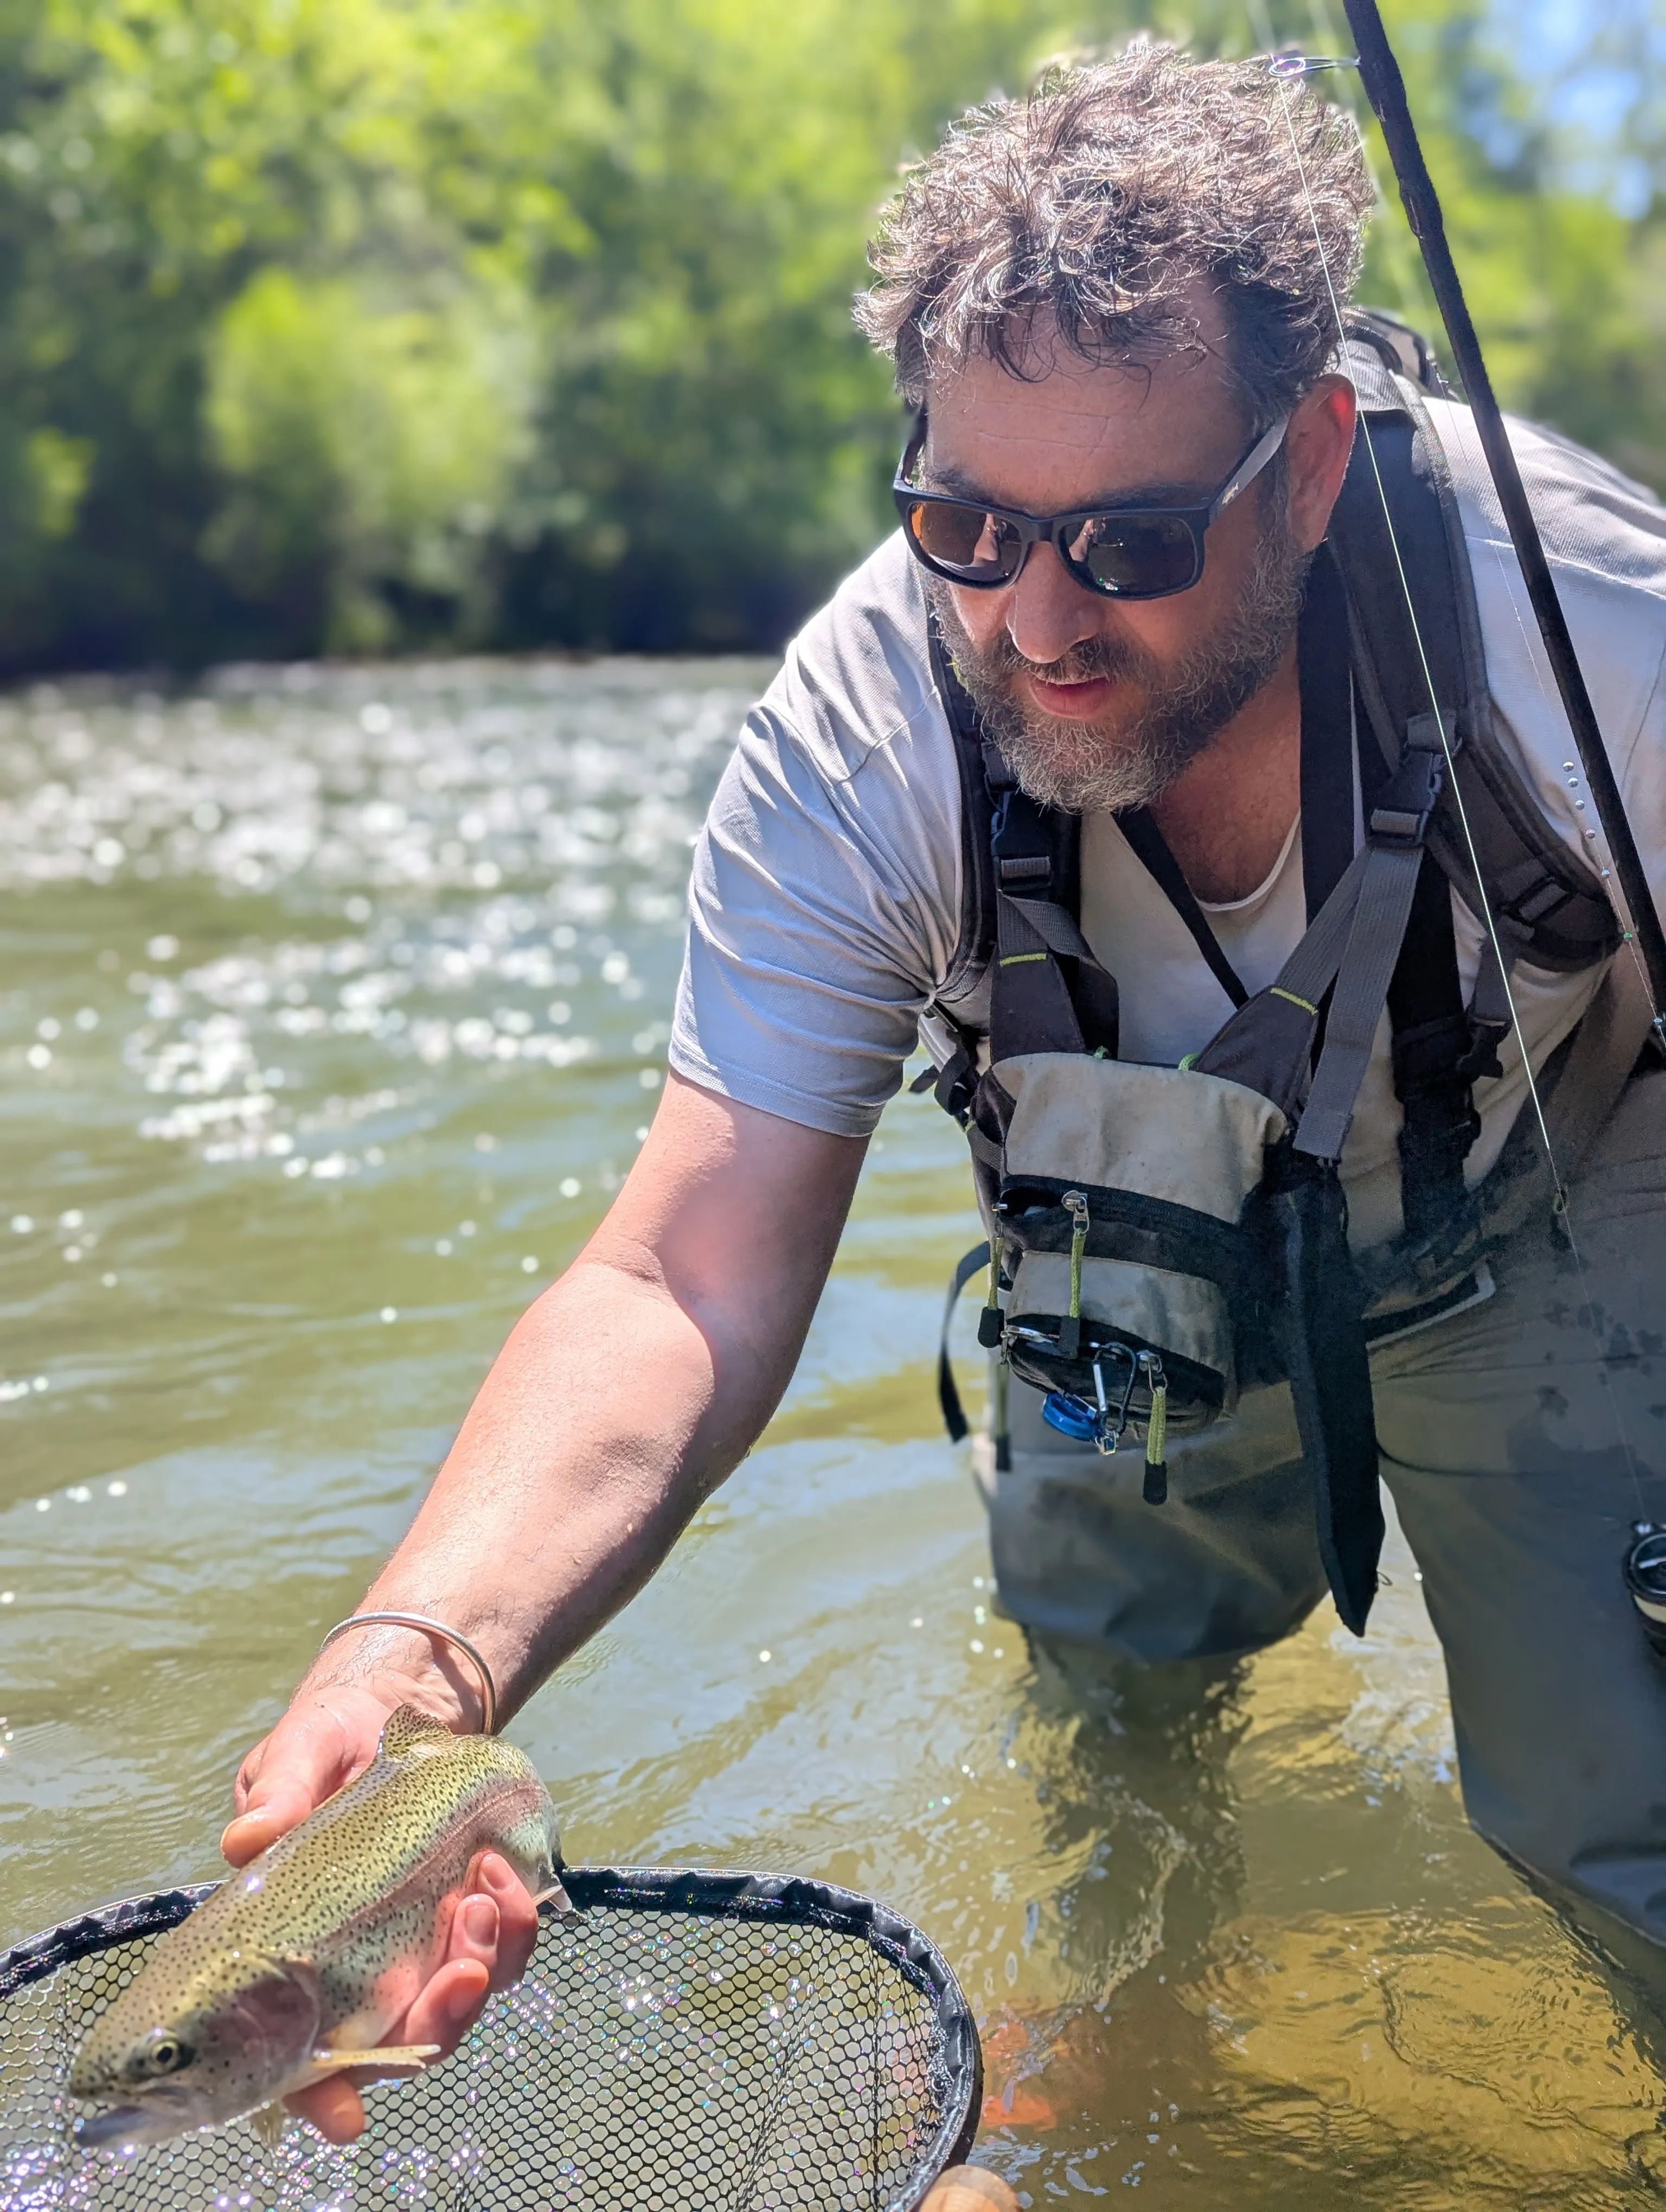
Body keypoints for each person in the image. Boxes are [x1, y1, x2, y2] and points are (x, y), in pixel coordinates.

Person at [222, 45, 1666, 2138]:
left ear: (1319, 461)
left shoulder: (1586, 634)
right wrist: (419, 1669)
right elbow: (686, 1271)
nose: (1039, 616)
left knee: (1613, 1824)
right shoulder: (871, 728)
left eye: (1137, 535)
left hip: (1553, 1188)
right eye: (967, 520)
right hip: (1124, 1261)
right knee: (1116, 1736)